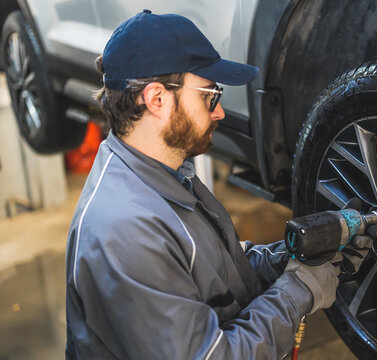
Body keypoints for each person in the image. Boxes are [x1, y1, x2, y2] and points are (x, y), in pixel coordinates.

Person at [65, 10, 342, 359]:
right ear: (157, 99)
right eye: (209, 94)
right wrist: (297, 290)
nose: (220, 112)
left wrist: (295, 256)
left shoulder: (165, 174)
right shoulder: (124, 231)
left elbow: (219, 272)